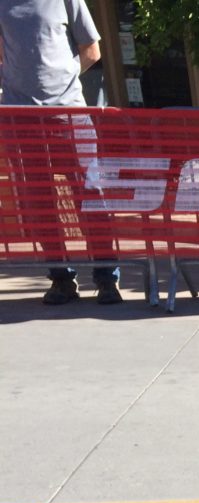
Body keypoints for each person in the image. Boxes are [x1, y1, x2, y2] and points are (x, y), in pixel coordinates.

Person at [0, 0, 122, 304]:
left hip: (70, 115)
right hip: (22, 120)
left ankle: (107, 278)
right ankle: (61, 279)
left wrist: (62, 86)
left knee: (90, 197)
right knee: (39, 203)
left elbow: (92, 49)